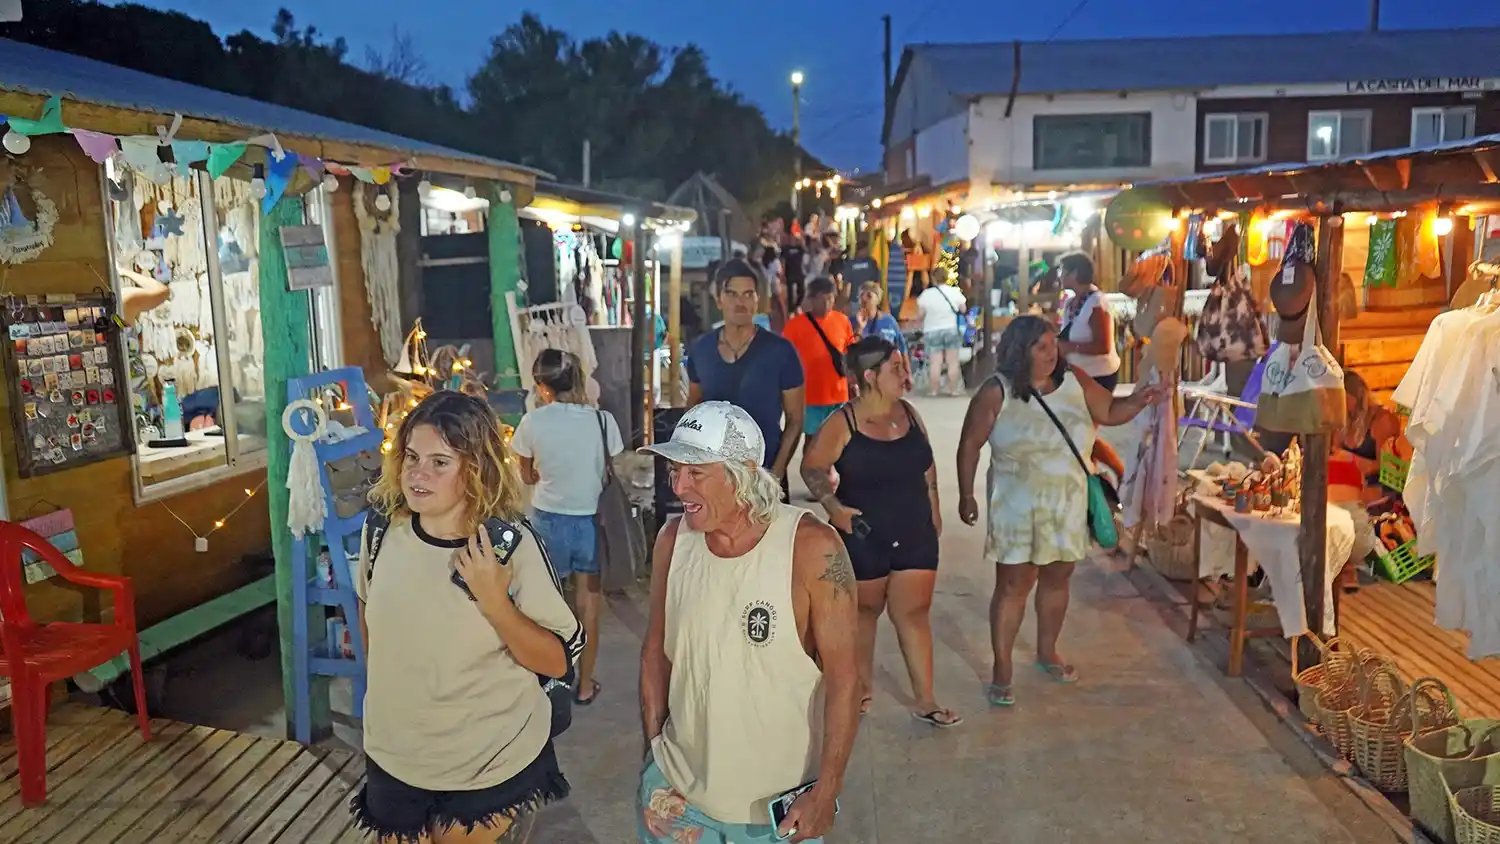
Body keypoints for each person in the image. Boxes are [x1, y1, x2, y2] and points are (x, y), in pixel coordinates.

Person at [352, 390, 582, 843]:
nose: (417, 473)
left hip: (487, 758)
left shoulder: (509, 548)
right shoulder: (381, 530)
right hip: (396, 753)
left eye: (440, 462)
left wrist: (496, 602)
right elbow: (368, 613)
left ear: (475, 469)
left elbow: (558, 662)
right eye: (412, 456)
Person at [638, 401, 860, 844]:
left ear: (743, 473)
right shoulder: (671, 541)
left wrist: (825, 790)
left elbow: (846, 681)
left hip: (773, 814)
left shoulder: (811, 547)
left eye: (696, 473)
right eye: (674, 471)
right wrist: (654, 754)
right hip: (677, 798)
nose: (679, 486)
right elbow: (656, 652)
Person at [955, 316, 1167, 707]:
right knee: (1013, 585)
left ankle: (1047, 650)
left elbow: (1108, 412)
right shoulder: (996, 391)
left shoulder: (1075, 381)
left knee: (1058, 578)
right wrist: (966, 495)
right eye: (1041, 347)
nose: (1052, 353)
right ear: (1020, 351)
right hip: (1018, 508)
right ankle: (1002, 669)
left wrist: (1139, 401)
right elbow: (969, 445)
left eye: (1054, 344)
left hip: (1067, 504)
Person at [800, 337, 958, 727]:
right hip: (866, 534)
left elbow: (927, 467)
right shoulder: (843, 422)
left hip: (915, 530)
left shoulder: (910, 414)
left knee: (914, 613)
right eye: (896, 368)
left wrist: (935, 510)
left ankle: (926, 700)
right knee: (865, 613)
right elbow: (812, 466)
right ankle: (862, 688)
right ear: (869, 376)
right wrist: (834, 508)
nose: (906, 374)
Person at [511, 349, 624, 707]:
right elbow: (609, 468)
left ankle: (549, 679)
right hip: (592, 522)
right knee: (589, 605)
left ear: (542, 386)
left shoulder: (532, 423)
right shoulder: (603, 421)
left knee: (545, 605)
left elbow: (526, 475)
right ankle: (586, 684)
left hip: (547, 522)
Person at [687, 259, 805, 497]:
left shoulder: (781, 351)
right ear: (719, 299)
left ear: (757, 300)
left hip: (765, 477)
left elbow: (795, 420)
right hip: (716, 480)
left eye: (748, 294)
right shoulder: (701, 350)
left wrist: (775, 476)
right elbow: (693, 409)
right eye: (732, 294)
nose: (740, 302)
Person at [782, 277, 855, 438]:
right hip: (811, 396)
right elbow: (784, 359)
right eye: (822, 300)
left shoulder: (842, 321)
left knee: (837, 440)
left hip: (839, 394)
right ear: (811, 299)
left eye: (831, 299)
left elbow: (850, 352)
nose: (827, 304)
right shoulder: (794, 326)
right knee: (812, 440)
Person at [1056, 252, 1122, 392]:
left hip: (1099, 376)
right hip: (1079, 375)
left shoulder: (1096, 302)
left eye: (1061, 271)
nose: (1059, 276)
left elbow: (1103, 347)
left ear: (1074, 273)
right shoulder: (1070, 303)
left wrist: (1069, 347)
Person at [916, 268, 967, 397]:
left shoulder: (926, 294)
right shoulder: (954, 292)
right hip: (951, 329)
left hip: (932, 330)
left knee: (935, 362)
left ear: (933, 278)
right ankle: (953, 390)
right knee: (952, 362)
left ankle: (934, 391)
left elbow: (921, 314)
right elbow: (963, 308)